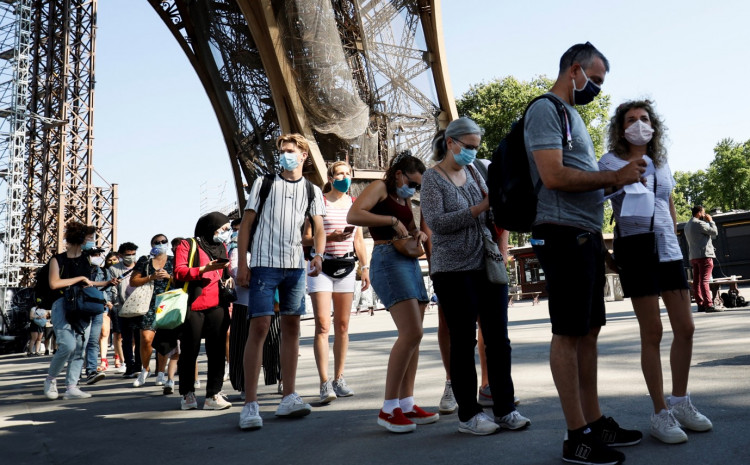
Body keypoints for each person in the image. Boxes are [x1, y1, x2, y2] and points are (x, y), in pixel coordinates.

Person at [524, 42, 644, 464]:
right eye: (594, 79)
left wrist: (616, 181)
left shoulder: (571, 114)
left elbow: (578, 178)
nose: (595, 88)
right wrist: (612, 175)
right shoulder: (546, 109)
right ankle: (576, 434)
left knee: (588, 330)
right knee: (570, 332)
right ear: (574, 69)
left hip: (584, 232)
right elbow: (553, 176)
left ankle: (592, 422)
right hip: (562, 233)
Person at [599, 100, 712, 445]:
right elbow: (595, 201)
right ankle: (659, 412)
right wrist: (603, 251)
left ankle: (680, 401)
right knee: (653, 331)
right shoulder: (610, 162)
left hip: (668, 248)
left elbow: (667, 201)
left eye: (644, 118)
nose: (638, 123)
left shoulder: (661, 163)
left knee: (686, 327)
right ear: (620, 128)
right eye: (631, 119)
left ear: (654, 125)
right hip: (636, 248)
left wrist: (679, 239)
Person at [422, 117, 529, 435]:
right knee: (463, 341)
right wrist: (480, 207)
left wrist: (502, 205)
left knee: (498, 340)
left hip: (486, 264)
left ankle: (505, 408)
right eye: (467, 147)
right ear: (451, 142)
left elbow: (493, 212)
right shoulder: (432, 178)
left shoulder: (476, 172)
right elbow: (437, 223)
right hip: (453, 270)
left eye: (476, 147)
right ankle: (469, 415)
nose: (472, 152)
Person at [236, 133, 326, 430]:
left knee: (292, 327)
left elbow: (319, 227)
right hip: (264, 263)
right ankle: (250, 404)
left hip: (295, 268)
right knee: (259, 327)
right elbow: (246, 224)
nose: (285, 155)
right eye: (283, 151)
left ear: (303, 155)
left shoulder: (312, 190)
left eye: (291, 151)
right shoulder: (264, 184)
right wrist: (242, 264)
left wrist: (318, 255)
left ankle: (289, 396)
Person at [347, 151, 438, 433]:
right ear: (398, 174)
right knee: (411, 333)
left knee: (415, 338)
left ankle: (407, 402)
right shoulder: (380, 188)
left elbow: (409, 226)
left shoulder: (403, 196)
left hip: (408, 260)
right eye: (412, 182)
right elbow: (354, 214)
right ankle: (389, 407)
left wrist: (418, 233)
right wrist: (388, 221)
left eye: (418, 186)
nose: (413, 189)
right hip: (388, 258)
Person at [303, 161, 370, 403]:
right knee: (322, 325)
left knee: (342, 326)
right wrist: (330, 237)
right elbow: (306, 239)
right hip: (321, 266)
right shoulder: (318, 201)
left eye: (347, 173)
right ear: (330, 178)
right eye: (339, 174)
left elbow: (359, 240)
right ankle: (323, 382)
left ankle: (339, 378)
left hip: (347, 265)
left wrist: (365, 267)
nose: (345, 177)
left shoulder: (353, 204)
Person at [43, 221, 115, 400]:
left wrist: (105, 283)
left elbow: (87, 283)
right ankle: (51, 379)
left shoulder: (86, 259)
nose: (91, 241)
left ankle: (71, 387)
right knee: (68, 344)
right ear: (79, 238)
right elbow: (54, 283)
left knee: (80, 347)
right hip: (63, 303)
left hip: (83, 304)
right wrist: (80, 277)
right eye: (89, 237)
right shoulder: (57, 259)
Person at [174, 213, 233, 410]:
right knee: (189, 351)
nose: (224, 233)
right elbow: (179, 272)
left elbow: (223, 272)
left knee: (216, 352)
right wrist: (202, 269)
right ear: (210, 226)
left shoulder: (221, 247)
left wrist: (227, 278)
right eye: (222, 229)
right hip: (193, 305)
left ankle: (212, 395)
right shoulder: (187, 244)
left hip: (217, 303)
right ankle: (187, 393)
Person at [129, 234, 175, 388]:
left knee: (164, 340)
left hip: (167, 302)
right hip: (148, 302)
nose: (161, 244)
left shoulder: (173, 260)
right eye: (157, 242)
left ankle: (161, 373)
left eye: (163, 242)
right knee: (146, 338)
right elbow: (133, 281)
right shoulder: (145, 261)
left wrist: (168, 276)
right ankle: (145, 369)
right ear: (151, 244)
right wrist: (150, 277)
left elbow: (182, 281)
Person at [106, 242, 139, 376]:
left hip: (138, 306)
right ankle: (129, 365)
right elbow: (112, 287)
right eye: (127, 255)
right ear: (120, 255)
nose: (131, 257)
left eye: (133, 254)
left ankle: (138, 365)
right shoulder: (114, 269)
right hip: (122, 306)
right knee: (125, 338)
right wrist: (114, 303)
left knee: (138, 338)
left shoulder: (139, 267)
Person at [684, 206, 718, 312]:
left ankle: (700, 304)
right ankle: (708, 304)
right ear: (699, 213)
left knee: (697, 281)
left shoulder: (687, 225)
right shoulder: (699, 223)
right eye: (703, 212)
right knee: (704, 280)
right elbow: (714, 232)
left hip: (694, 256)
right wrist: (711, 221)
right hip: (704, 255)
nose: (705, 214)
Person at [83, 247, 110, 385]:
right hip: (82, 308)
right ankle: (75, 372)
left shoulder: (104, 272)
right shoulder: (80, 271)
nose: (97, 256)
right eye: (94, 254)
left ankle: (91, 371)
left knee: (93, 340)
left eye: (99, 254)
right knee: (80, 342)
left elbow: (110, 288)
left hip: (98, 307)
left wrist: (108, 300)